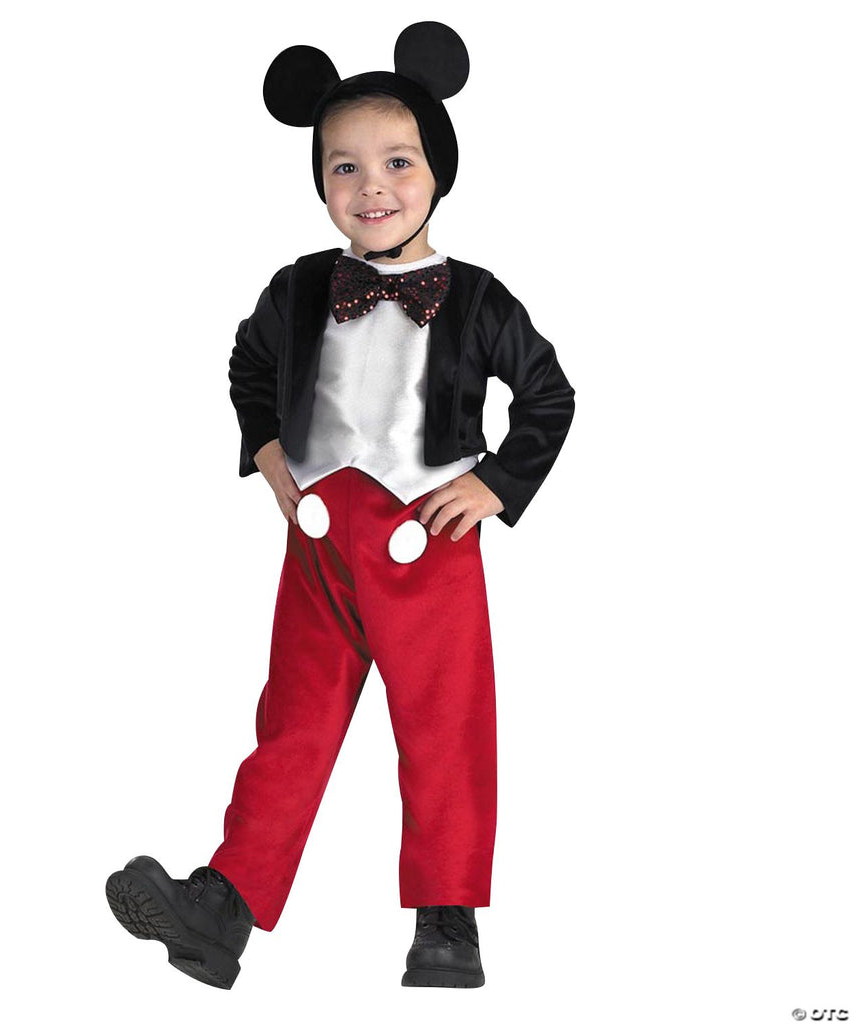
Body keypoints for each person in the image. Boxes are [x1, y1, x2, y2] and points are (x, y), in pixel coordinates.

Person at [105, 21, 575, 990]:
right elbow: (247, 364)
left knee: (444, 729)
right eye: (344, 167)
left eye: (398, 162)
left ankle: (446, 923)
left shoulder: (477, 297)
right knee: (292, 721)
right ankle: (222, 909)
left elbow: (549, 396)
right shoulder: (301, 287)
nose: (372, 187)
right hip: (319, 543)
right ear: (320, 182)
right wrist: (266, 447)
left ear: (439, 171)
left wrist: (494, 483)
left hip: (426, 539)